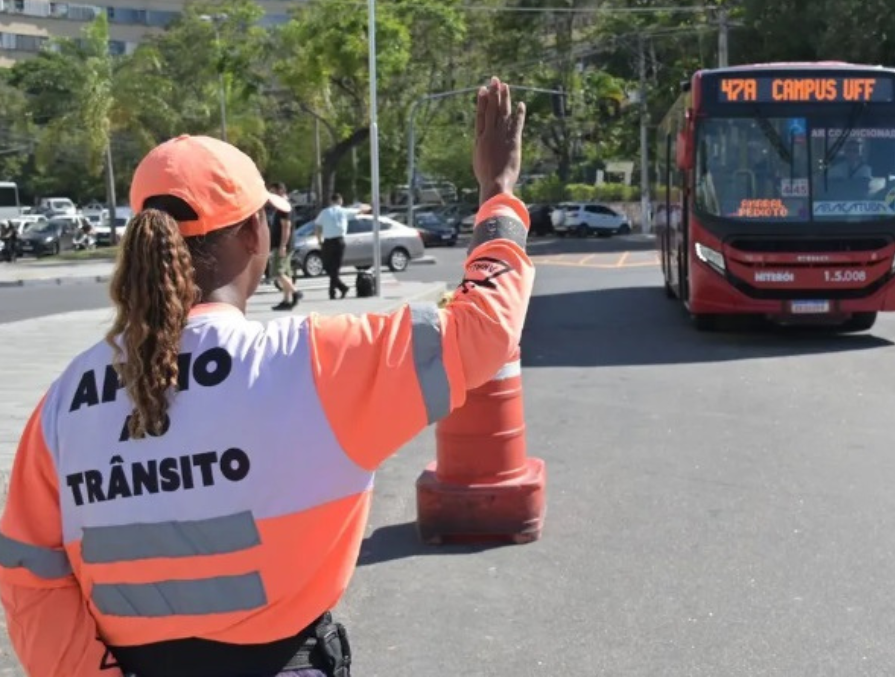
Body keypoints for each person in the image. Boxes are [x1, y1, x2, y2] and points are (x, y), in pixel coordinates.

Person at [0, 76, 532, 677]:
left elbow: (28, 576)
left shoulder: (63, 403)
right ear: (257, 234)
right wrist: (498, 192)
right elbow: (485, 327)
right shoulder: (316, 362)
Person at [313, 193, 370, 300]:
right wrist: (365, 205)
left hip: (328, 241)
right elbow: (364, 210)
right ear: (340, 201)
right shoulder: (344, 211)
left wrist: (319, 240)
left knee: (328, 267)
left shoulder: (324, 212)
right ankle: (341, 287)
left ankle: (332, 291)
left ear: (331, 201)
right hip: (339, 241)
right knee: (334, 267)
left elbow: (317, 226)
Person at [267, 182, 303, 311]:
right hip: (284, 244)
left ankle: (296, 292)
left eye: (273, 192)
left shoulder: (284, 207)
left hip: (282, 245)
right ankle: (287, 300)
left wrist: (282, 246)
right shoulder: (284, 206)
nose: (272, 196)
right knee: (286, 273)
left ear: (281, 191)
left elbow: (286, 227)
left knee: (278, 272)